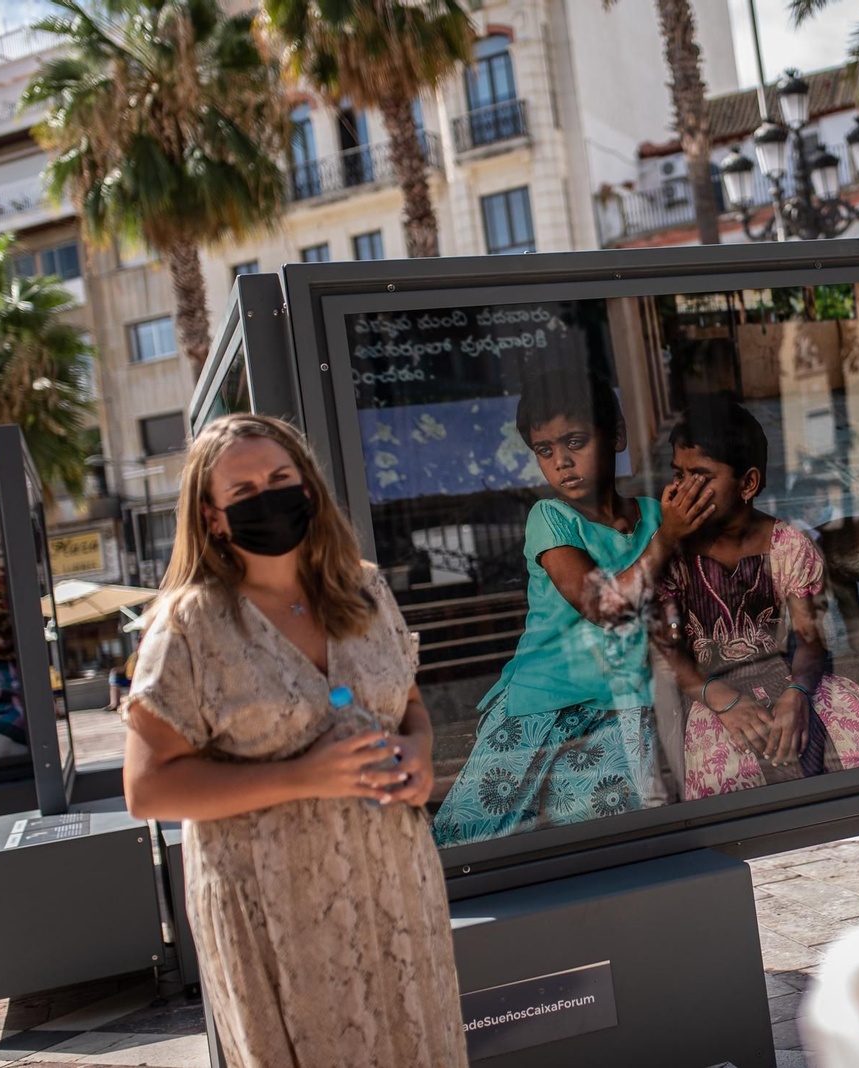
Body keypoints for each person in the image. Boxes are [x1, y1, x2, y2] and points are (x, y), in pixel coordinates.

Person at [121, 413, 467, 1068]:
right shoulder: (188, 625)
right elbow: (146, 789)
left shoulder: (363, 591)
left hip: (397, 885)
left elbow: (410, 707)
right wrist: (302, 776)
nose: (268, 497)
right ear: (214, 516)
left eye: (281, 478)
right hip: (277, 910)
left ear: (308, 488)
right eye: (244, 491)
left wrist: (419, 755)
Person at [431, 368, 715, 845]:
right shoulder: (551, 518)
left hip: (624, 709)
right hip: (540, 705)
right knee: (472, 836)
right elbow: (604, 607)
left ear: (617, 435)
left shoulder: (655, 514)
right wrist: (666, 538)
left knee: (598, 830)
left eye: (575, 442)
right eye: (545, 451)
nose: (561, 461)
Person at [653, 397, 859, 799]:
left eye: (699, 476)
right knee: (731, 783)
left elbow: (809, 639)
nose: (683, 489)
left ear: (748, 484)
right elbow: (667, 646)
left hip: (789, 683)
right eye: (678, 474)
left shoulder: (788, 546)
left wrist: (798, 693)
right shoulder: (673, 553)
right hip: (713, 695)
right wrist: (713, 696)